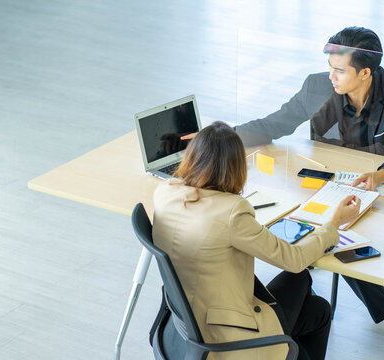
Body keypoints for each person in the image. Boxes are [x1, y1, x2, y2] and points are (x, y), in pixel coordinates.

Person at [183, 26, 384, 358]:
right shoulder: (318, 87)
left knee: (340, 235)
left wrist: (380, 174)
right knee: (337, 233)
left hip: (380, 188)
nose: (331, 76)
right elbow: (275, 124)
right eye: (330, 66)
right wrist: (216, 143)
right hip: (326, 183)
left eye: (339, 70)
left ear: (366, 72)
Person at [153, 121, 361, 360]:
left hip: (186, 326)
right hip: (226, 338)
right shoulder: (232, 211)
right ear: (235, 167)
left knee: (318, 308)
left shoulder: (164, 192)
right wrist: (333, 224)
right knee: (304, 281)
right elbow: (293, 260)